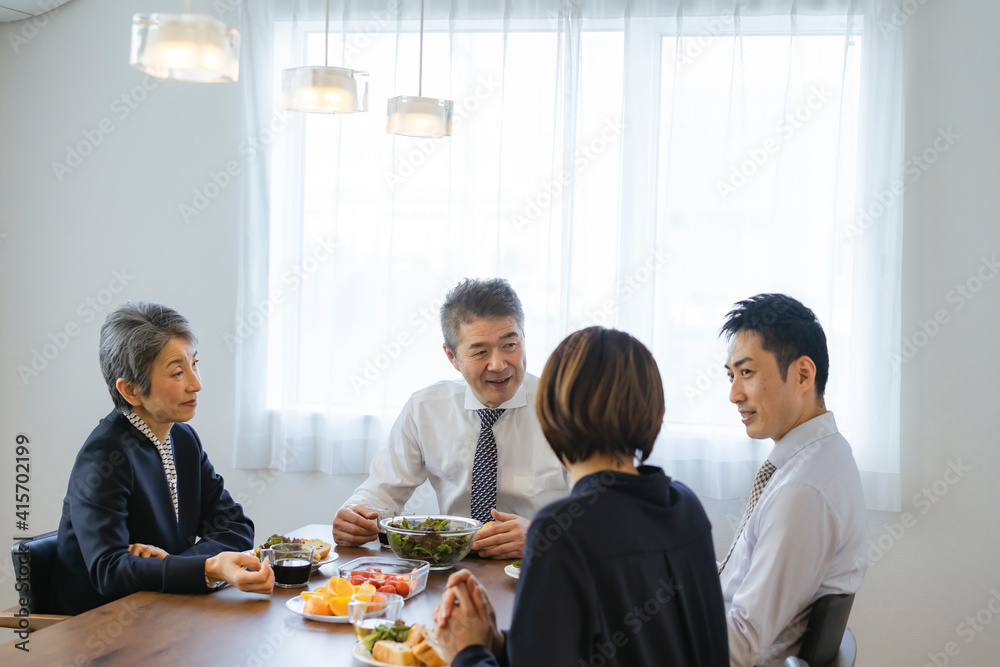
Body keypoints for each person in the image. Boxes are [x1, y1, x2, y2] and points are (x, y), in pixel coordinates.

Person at [433, 326, 730, 667]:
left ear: (551, 413)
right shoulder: (685, 506)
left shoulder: (561, 530)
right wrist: (497, 643)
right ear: (654, 411)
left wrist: (467, 652)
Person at [51, 302, 273, 615]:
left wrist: (179, 565)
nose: (196, 384)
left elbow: (235, 527)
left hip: (165, 608)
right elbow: (109, 570)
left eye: (195, 365)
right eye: (178, 373)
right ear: (130, 390)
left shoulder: (183, 438)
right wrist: (206, 567)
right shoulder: (104, 455)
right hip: (103, 627)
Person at [333, 278, 568, 559]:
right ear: (452, 357)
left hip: (542, 565)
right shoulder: (425, 408)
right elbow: (381, 492)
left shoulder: (566, 409)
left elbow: (603, 511)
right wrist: (355, 514)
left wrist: (544, 532)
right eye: (480, 351)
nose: (499, 364)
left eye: (510, 345)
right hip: (450, 566)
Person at [718, 294, 867, 666]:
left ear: (802, 374)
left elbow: (741, 644)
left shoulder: (803, 491)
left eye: (747, 373)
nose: (734, 394)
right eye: (731, 375)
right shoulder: (821, 457)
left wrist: (652, 629)